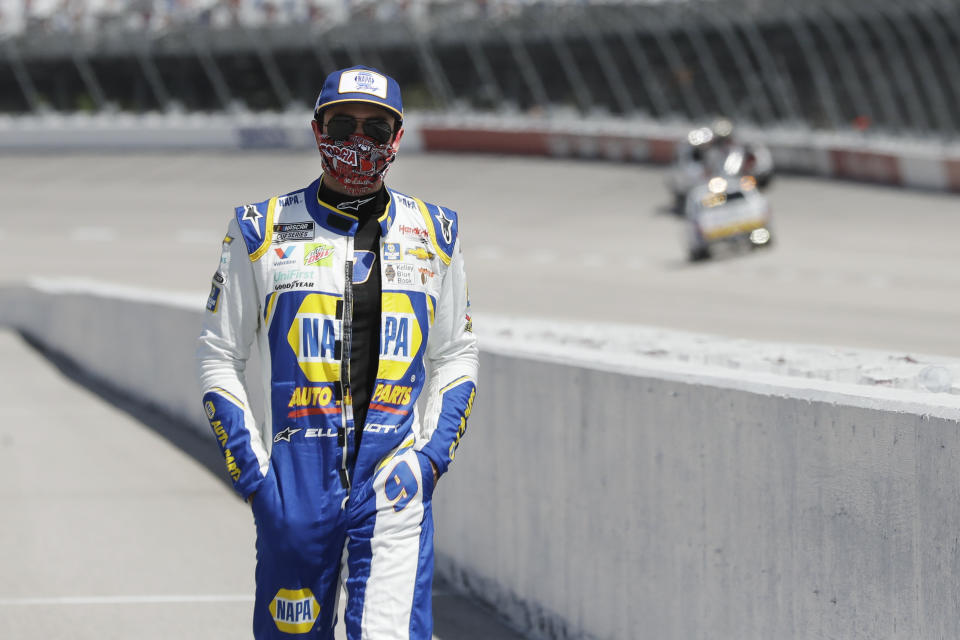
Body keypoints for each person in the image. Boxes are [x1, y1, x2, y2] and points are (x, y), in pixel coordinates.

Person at [196, 65, 479, 640]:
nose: (359, 140)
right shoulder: (259, 228)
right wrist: (255, 480)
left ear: (397, 139)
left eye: (376, 128)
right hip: (295, 489)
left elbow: (456, 355)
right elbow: (219, 357)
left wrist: (428, 460)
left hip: (395, 486)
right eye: (342, 123)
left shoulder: (437, 232)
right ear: (316, 127)